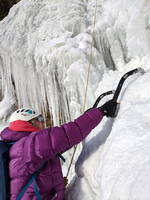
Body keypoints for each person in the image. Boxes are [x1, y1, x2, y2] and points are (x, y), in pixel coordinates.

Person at [0, 100, 118, 200]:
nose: (43, 122)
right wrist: (100, 112)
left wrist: (57, 183)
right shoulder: (30, 144)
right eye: (39, 118)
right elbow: (68, 134)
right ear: (29, 122)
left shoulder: (17, 147)